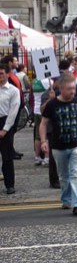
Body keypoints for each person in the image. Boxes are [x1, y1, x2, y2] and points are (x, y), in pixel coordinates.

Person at [40, 73, 77, 215]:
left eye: (73, 88)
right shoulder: (52, 105)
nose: (72, 92)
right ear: (61, 88)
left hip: (76, 144)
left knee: (76, 174)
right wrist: (43, 141)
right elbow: (43, 123)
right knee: (63, 176)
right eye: (69, 89)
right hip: (58, 146)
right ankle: (66, 199)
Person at [0, 64, 20, 194]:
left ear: (8, 74)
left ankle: (9, 184)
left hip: (5, 121)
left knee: (7, 156)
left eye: (1, 73)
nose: (0, 76)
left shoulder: (13, 91)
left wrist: (5, 129)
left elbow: (13, 111)